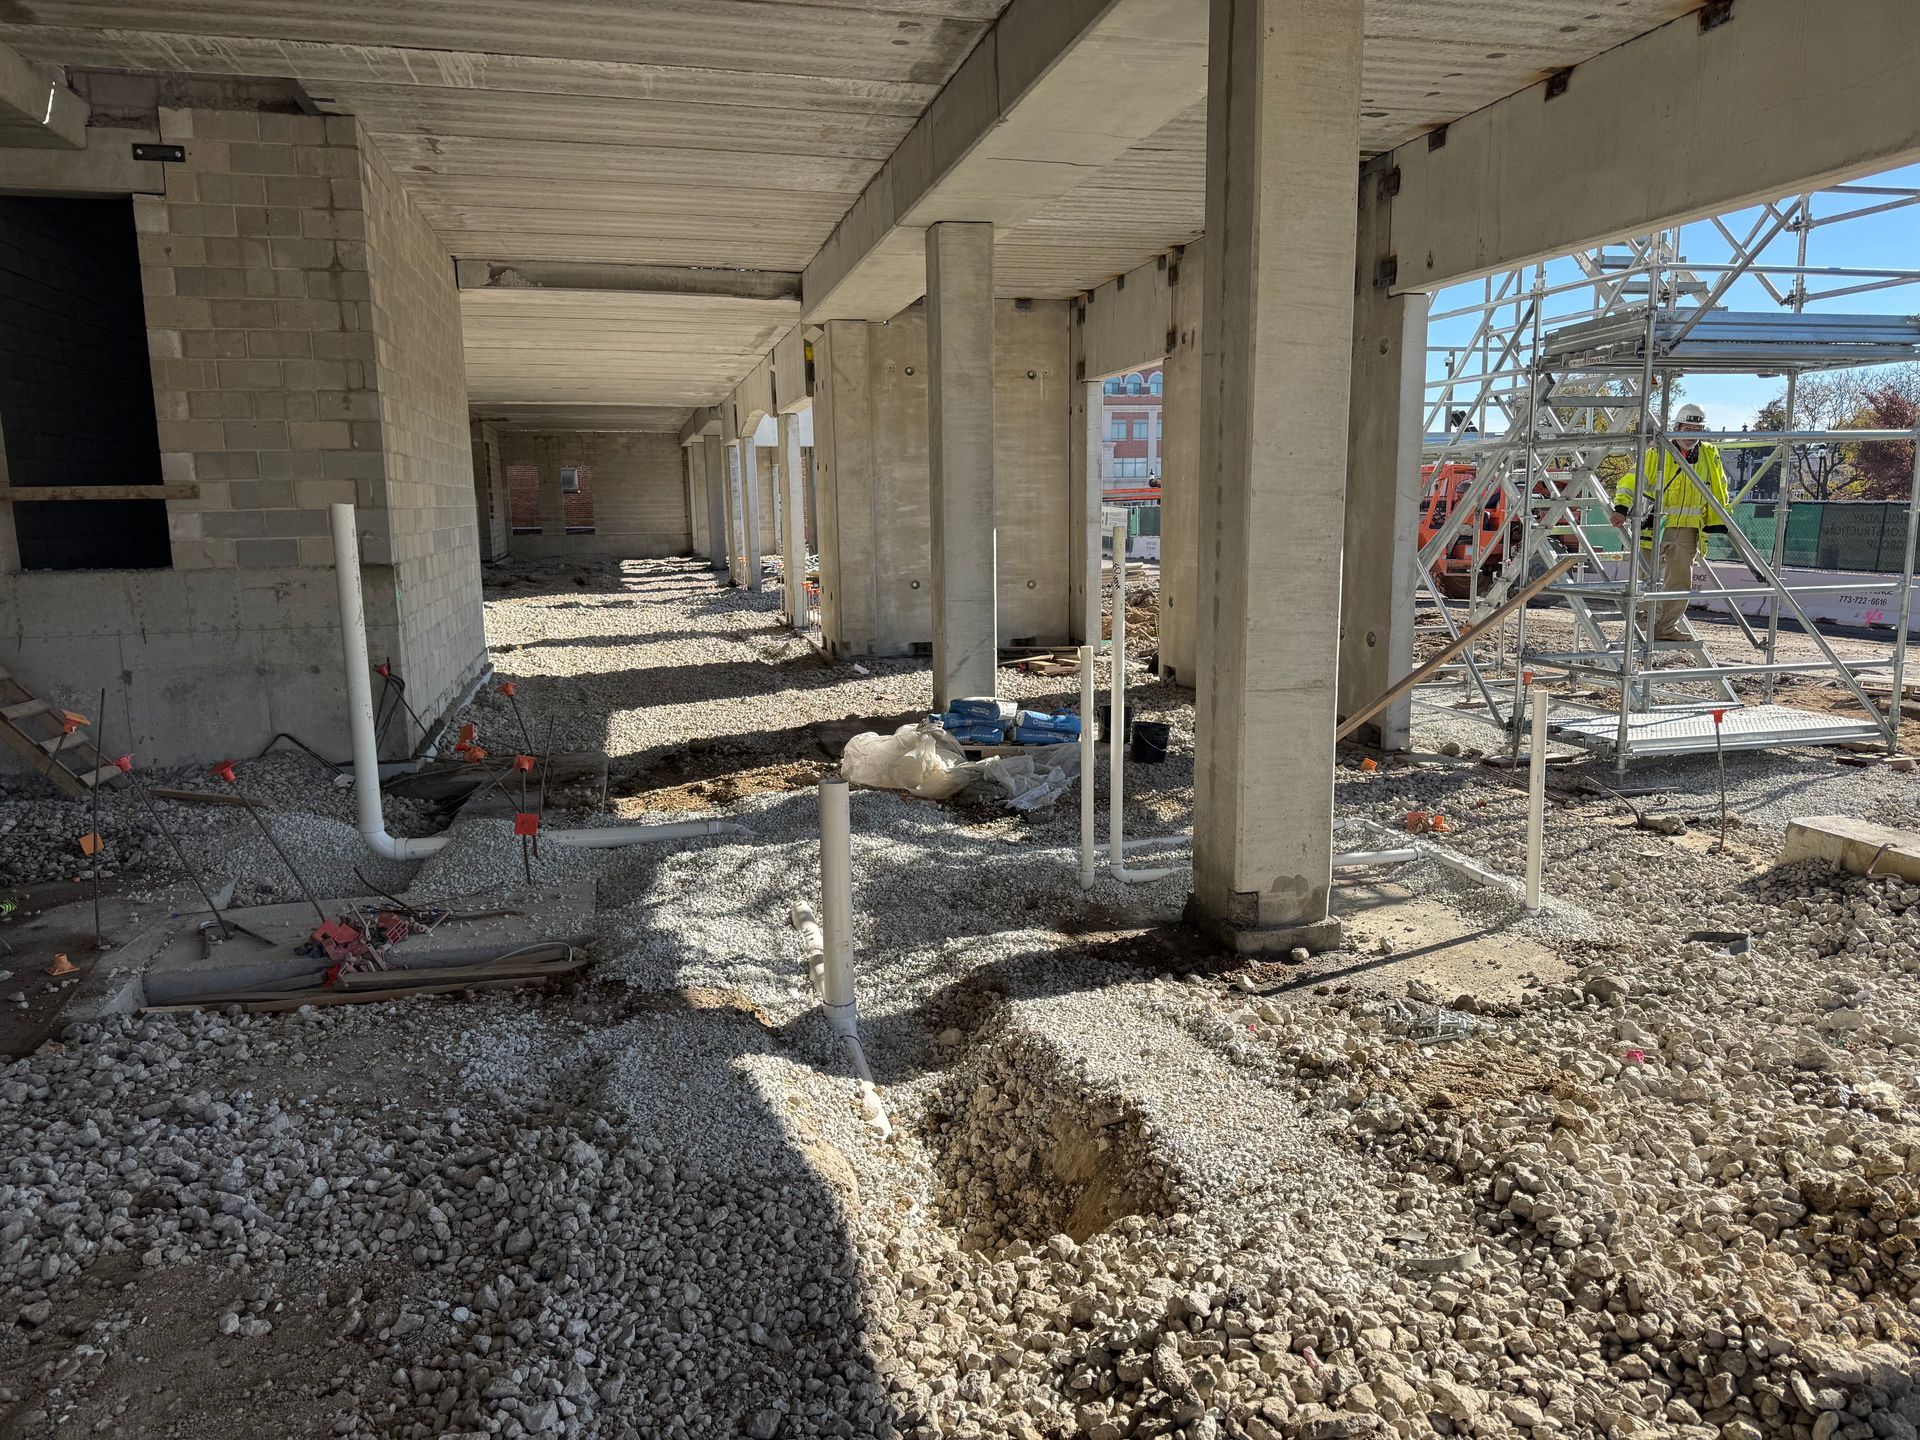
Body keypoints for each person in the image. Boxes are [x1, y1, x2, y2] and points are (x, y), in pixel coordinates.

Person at [1611, 402, 1730, 641]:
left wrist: (1719, 517)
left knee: (1679, 582)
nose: (1691, 436)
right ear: (1676, 427)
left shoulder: (1708, 454)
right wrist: (1621, 508)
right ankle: (1643, 627)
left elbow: (1719, 485)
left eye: (1697, 430)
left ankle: (1665, 629)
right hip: (1655, 525)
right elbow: (1631, 480)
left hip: (1688, 528)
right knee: (1646, 580)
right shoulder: (1658, 453)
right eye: (1687, 429)